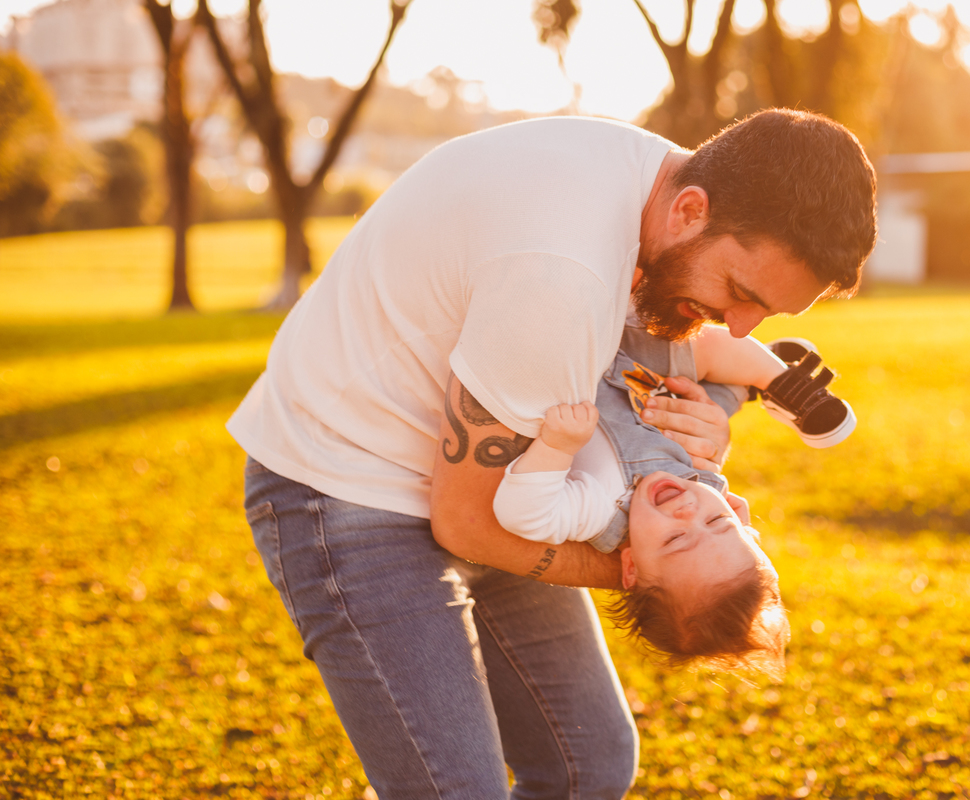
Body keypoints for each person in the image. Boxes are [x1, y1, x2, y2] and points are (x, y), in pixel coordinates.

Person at [229, 108, 876, 799]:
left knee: (586, 763)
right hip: (349, 487)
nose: (739, 326)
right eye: (741, 293)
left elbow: (627, 383)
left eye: (766, 316)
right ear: (691, 210)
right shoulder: (563, 275)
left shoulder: (657, 185)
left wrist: (703, 431)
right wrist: (654, 570)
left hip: (507, 475)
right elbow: (468, 525)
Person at [493, 326, 855, 676]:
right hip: (639, 366)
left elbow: (524, 513)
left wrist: (558, 446)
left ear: (631, 568)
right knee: (706, 356)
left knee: (706, 372)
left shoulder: (600, 512)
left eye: (676, 539)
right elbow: (706, 443)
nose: (689, 512)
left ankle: (751, 373)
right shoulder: (703, 486)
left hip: (595, 355)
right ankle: (774, 378)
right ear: (736, 513)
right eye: (718, 523)